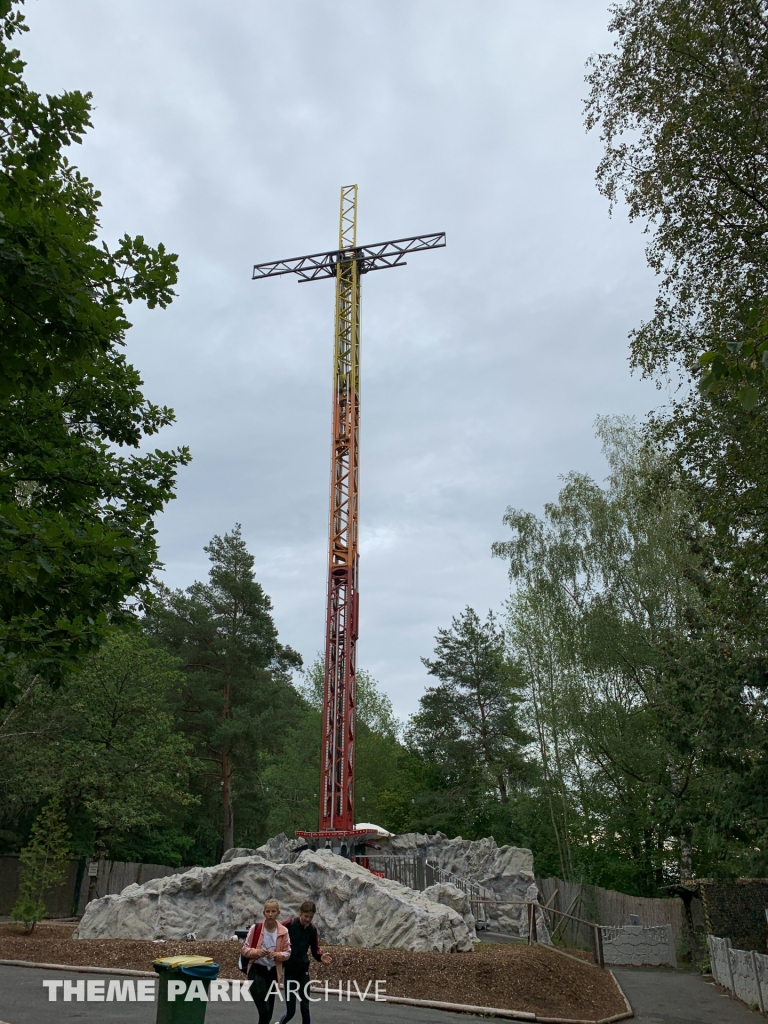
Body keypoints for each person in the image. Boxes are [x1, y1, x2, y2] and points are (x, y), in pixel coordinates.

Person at [278, 900, 332, 1024]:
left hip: (303, 972)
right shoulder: (288, 925)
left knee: (305, 1008)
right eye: (306, 916)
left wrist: (320, 956)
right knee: (291, 1011)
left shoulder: (312, 930)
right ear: (300, 913)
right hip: (290, 972)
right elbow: (276, 938)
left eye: (311, 917)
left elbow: (315, 949)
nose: (308, 919)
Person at [241, 898, 292, 1024]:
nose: (270, 914)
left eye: (273, 911)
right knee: (264, 1010)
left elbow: (287, 953)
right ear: (264, 913)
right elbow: (244, 949)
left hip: (273, 972)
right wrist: (256, 952)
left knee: (268, 1013)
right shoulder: (256, 928)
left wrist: (276, 955)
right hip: (257, 969)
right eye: (268, 911)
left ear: (278, 913)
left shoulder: (283, 932)